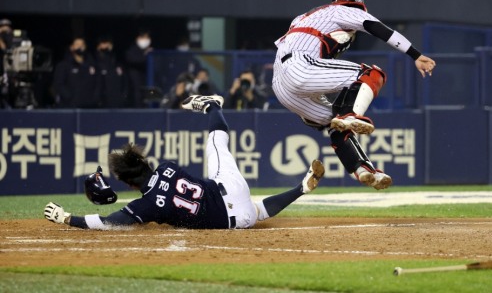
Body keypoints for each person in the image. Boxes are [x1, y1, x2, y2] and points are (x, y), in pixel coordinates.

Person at [43, 94, 325, 230]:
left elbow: (108, 222)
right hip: (230, 187)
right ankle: (212, 105)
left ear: (129, 182)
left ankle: (301, 189)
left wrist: (68, 218)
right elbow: (159, 188)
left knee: (255, 211)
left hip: (238, 222)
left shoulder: (145, 205)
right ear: (146, 163)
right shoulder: (167, 167)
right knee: (217, 141)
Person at [272, 0, 436, 190]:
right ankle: (351, 114)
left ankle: (363, 170)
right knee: (371, 74)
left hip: (281, 85)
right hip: (299, 66)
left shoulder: (304, 17)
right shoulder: (344, 9)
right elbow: (377, 28)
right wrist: (415, 54)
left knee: (335, 124)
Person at [52, 36, 99, 108]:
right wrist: (70, 97)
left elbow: (98, 84)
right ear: (72, 47)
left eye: (82, 45)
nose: (80, 47)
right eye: (77, 45)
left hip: (89, 107)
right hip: (70, 107)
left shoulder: (92, 65)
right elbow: (59, 84)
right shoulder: (63, 65)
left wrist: (94, 99)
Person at [94, 35, 127, 108]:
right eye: (104, 43)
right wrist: (98, 99)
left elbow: (125, 82)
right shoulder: (95, 64)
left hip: (118, 102)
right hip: (102, 104)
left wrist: (124, 96)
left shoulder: (118, 64)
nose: (106, 46)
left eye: (108, 44)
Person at [124, 30, 153, 108]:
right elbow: (133, 60)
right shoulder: (131, 50)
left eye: (147, 38)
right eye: (144, 38)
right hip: (134, 87)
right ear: (138, 38)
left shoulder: (149, 51)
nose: (146, 40)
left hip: (147, 86)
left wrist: (150, 54)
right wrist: (146, 55)